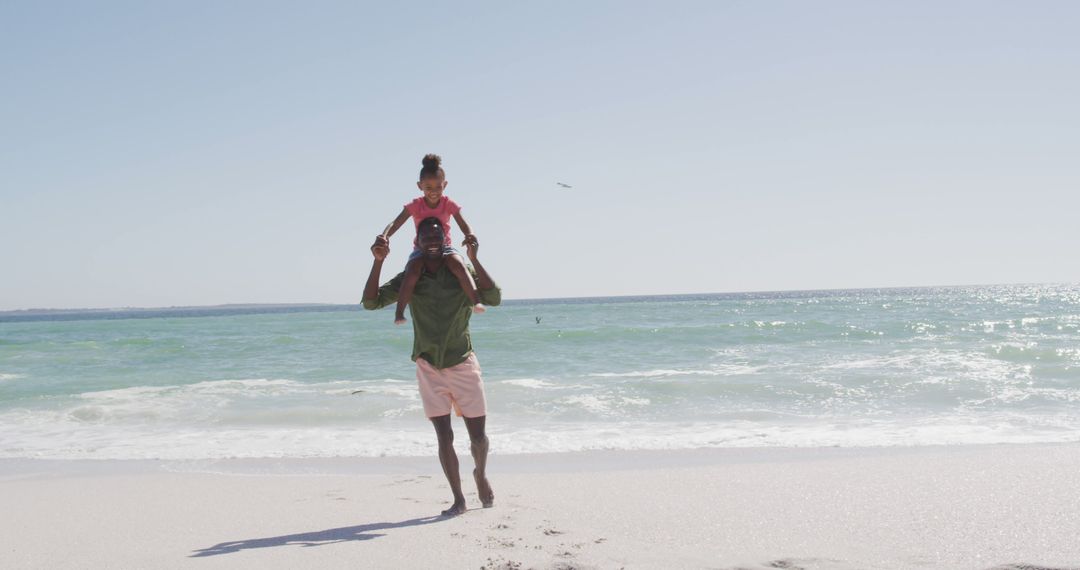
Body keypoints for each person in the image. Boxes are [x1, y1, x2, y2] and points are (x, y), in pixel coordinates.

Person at [363, 216, 500, 516]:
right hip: (428, 367)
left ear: (446, 240)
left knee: (478, 437)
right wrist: (378, 262)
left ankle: (480, 473)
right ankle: (458, 499)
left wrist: (475, 259)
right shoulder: (410, 278)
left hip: (463, 363)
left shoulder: (461, 271)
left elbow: (494, 297)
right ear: (418, 243)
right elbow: (370, 302)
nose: (433, 241)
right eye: (426, 237)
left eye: (438, 236)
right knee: (444, 436)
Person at [379, 154, 485, 325]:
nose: (433, 191)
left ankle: (476, 301)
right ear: (419, 186)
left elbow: (464, 224)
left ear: (445, 185)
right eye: (428, 187)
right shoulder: (415, 205)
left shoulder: (448, 203)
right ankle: (399, 312)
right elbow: (396, 222)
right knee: (412, 271)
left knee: (458, 264)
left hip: (446, 247)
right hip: (421, 249)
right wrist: (385, 235)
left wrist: (469, 235)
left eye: (438, 187)